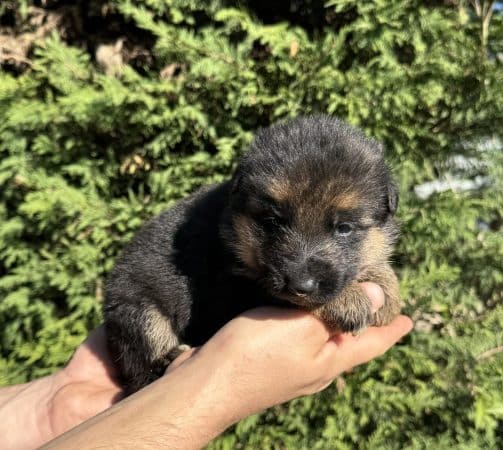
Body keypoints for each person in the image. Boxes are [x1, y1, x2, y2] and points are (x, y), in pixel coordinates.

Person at [0, 282, 412, 449]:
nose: (303, 274)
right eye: (274, 221)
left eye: (343, 228)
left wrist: (49, 409)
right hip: (154, 320)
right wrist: (214, 390)